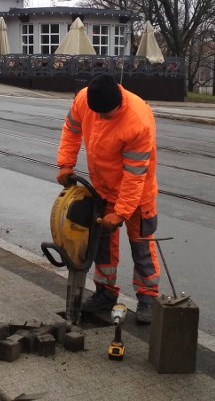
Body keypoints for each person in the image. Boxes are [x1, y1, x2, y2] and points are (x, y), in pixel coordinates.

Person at [56, 74, 160, 324]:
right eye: (98, 114)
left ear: (118, 104)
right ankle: (105, 291)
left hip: (137, 194)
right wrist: (65, 164)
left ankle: (148, 297)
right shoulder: (84, 100)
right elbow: (71, 129)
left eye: (107, 115)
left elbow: (134, 175)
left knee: (141, 245)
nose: (102, 119)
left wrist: (122, 212)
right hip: (102, 188)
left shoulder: (137, 121)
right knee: (102, 244)